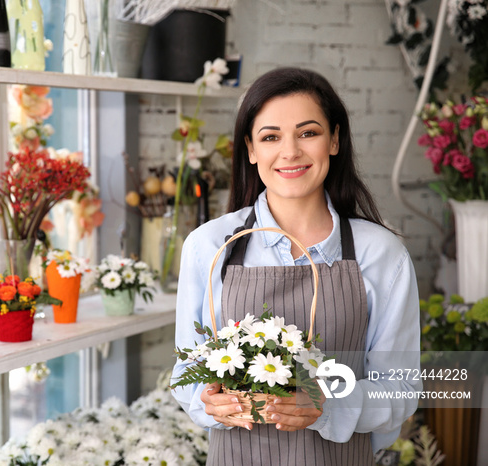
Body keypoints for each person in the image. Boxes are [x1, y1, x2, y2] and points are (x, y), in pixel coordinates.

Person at [171, 67, 421, 465]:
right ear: (251, 150)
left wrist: (328, 403)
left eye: (308, 133)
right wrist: (209, 400)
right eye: (270, 137)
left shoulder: (382, 254)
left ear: (334, 140)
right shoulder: (208, 245)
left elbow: (402, 390)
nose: (290, 152)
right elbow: (186, 371)